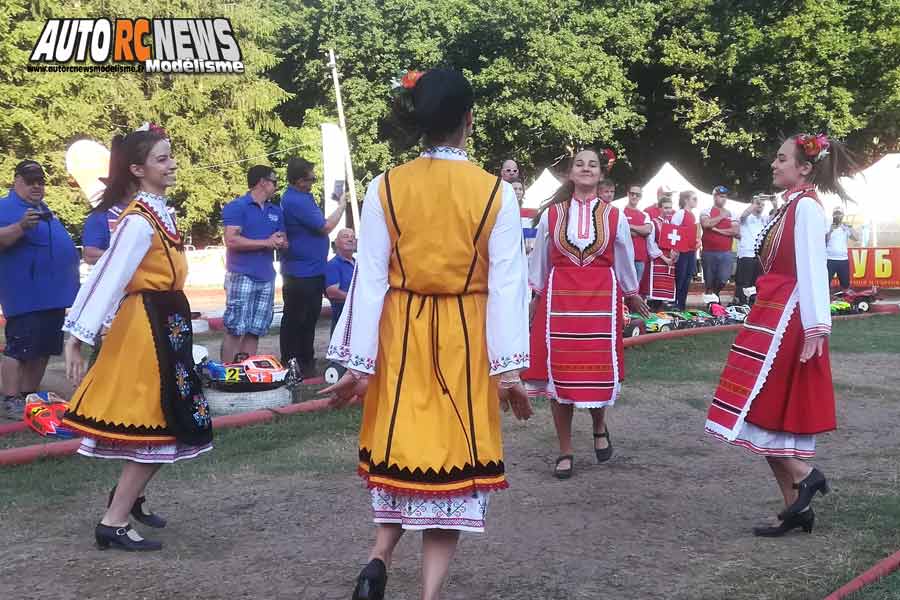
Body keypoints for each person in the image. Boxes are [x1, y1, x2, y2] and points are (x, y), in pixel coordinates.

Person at [320, 68, 532, 600]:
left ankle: (378, 559)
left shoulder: (384, 186)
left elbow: (369, 281)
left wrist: (358, 364)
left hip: (403, 335)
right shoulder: (495, 194)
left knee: (405, 452)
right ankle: (428, 594)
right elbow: (508, 285)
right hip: (464, 336)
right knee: (450, 466)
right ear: (468, 119)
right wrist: (508, 369)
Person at [62, 125, 213, 551]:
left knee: (171, 419)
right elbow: (108, 277)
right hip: (147, 326)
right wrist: (78, 333)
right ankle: (113, 520)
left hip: (165, 321)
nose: (172, 165)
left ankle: (128, 499)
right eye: (162, 159)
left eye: (171, 156)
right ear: (137, 169)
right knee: (158, 422)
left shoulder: (157, 211)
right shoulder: (138, 220)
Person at [705, 133, 855, 537]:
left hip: (787, 319)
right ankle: (795, 508)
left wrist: (816, 327)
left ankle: (806, 475)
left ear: (804, 168)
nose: (774, 164)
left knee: (764, 408)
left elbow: (811, 268)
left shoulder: (806, 208)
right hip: (772, 311)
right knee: (764, 415)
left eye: (782, 158)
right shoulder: (789, 207)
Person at [523, 148, 650, 480]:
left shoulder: (614, 216)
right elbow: (540, 261)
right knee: (559, 375)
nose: (585, 168)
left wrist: (632, 293)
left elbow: (623, 257)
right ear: (570, 173)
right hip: (560, 302)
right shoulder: (552, 215)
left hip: (600, 300)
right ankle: (565, 450)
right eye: (579, 164)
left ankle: (599, 425)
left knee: (595, 372)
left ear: (600, 173)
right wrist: (535, 295)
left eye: (592, 164)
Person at [0, 160, 80, 420]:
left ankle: (28, 395)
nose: (36, 185)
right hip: (26, 296)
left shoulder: (43, 209)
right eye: (30, 180)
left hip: (53, 297)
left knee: (44, 348)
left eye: (40, 181)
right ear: (16, 181)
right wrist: (21, 226)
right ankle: (10, 398)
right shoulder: (5, 207)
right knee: (18, 349)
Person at [280, 157, 347, 377]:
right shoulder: (296, 200)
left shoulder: (301, 197)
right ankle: (295, 362)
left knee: (308, 318)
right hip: (302, 273)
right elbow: (325, 227)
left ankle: (304, 360)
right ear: (299, 180)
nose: (313, 182)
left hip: (310, 269)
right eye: (310, 178)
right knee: (298, 319)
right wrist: (341, 207)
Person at [221, 165, 286, 362]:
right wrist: (266, 242)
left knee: (255, 329)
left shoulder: (276, 210)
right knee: (235, 327)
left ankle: (245, 373)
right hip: (241, 274)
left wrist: (280, 241)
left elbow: (283, 239)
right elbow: (231, 240)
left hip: (266, 276)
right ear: (262, 182)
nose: (276, 186)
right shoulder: (237, 207)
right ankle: (226, 373)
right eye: (274, 181)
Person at [700, 185, 739, 300]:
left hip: (726, 252)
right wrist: (721, 216)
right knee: (709, 279)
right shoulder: (706, 211)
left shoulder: (732, 213)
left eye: (725, 197)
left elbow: (735, 231)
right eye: (721, 196)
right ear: (714, 197)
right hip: (709, 251)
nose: (724, 199)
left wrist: (717, 230)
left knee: (723, 278)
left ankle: (715, 294)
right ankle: (712, 300)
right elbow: (706, 224)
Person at [641, 196, 677, 307]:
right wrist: (664, 258)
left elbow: (675, 241)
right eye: (666, 208)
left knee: (664, 294)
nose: (668, 210)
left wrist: (674, 253)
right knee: (654, 293)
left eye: (670, 208)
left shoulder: (671, 224)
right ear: (660, 208)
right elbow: (651, 244)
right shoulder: (653, 223)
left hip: (669, 261)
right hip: (657, 261)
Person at [734, 195, 769, 305]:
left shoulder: (764, 219)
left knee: (756, 283)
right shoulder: (746, 217)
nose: (760, 206)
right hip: (746, 254)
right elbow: (743, 216)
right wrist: (755, 203)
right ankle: (742, 304)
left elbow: (774, 217)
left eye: (762, 205)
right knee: (745, 282)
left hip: (758, 255)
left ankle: (752, 304)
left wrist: (774, 204)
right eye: (758, 204)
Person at [324, 228, 356, 333]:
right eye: (346, 237)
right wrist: (355, 298)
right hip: (342, 313)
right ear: (337, 243)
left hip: (358, 313)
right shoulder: (333, 264)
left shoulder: (358, 264)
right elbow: (332, 292)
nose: (350, 239)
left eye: (352, 237)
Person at [671, 190, 699, 311]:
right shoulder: (680, 213)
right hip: (682, 251)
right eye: (694, 199)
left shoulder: (692, 215)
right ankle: (675, 303)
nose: (696, 201)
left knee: (687, 278)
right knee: (680, 278)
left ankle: (681, 304)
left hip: (691, 251)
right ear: (686, 200)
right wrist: (675, 249)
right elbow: (673, 230)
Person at [624, 183, 652, 284]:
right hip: (624, 257)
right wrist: (640, 230)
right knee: (623, 289)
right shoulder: (620, 212)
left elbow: (648, 230)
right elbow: (621, 232)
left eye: (637, 194)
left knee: (636, 289)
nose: (634, 196)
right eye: (632, 193)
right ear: (628, 194)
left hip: (639, 257)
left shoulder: (645, 215)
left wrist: (630, 226)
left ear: (641, 197)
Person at [826, 206, 857, 292]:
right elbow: (823, 241)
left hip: (843, 260)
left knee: (845, 284)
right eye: (836, 214)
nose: (837, 216)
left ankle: (845, 302)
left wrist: (850, 227)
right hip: (830, 259)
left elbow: (856, 238)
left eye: (839, 214)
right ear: (832, 215)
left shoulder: (845, 227)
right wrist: (830, 231)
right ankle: (826, 302)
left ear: (843, 215)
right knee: (825, 283)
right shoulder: (828, 225)